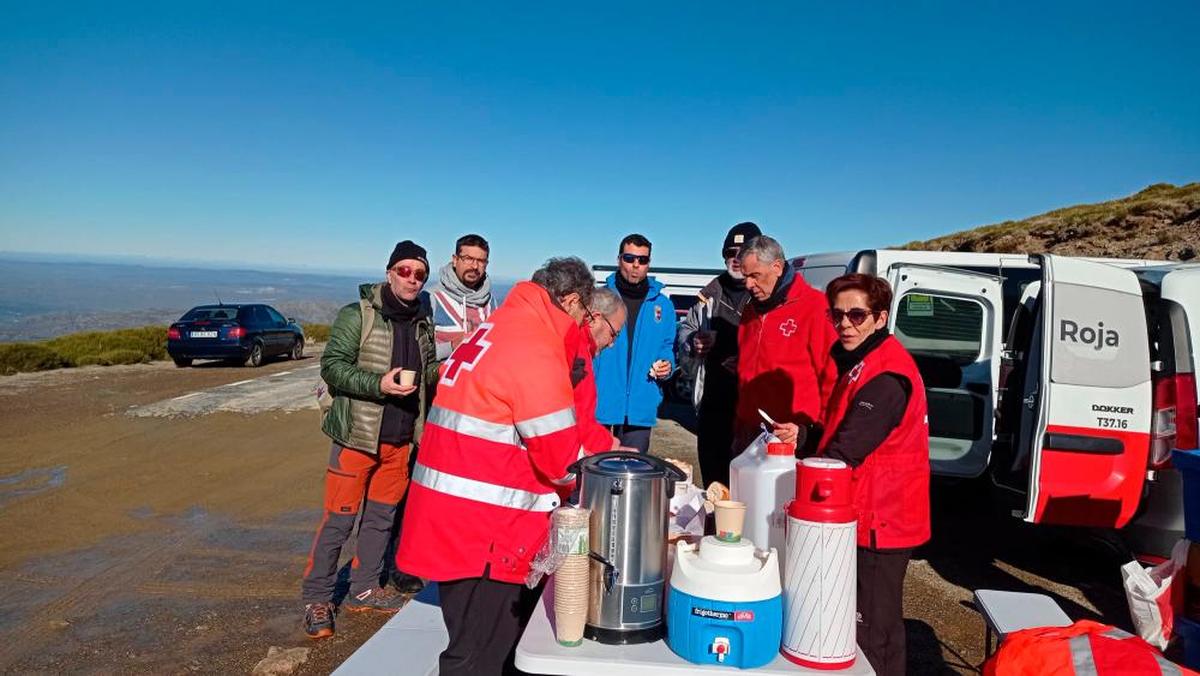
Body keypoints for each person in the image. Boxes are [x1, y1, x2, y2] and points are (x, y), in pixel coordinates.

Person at [395, 257, 595, 676]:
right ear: (572, 301)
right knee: (480, 654)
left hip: (453, 517)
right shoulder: (535, 348)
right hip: (489, 531)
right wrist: (594, 473)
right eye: (584, 314)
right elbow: (559, 459)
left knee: (468, 639)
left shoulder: (498, 328)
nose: (583, 324)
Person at [300, 240, 439, 639]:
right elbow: (333, 368)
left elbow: (426, 373)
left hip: (399, 441)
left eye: (420, 274)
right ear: (389, 272)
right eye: (405, 271)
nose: (413, 280)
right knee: (337, 523)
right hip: (356, 438)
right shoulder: (357, 315)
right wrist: (378, 383)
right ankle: (317, 598)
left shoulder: (421, 320)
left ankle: (363, 590)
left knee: (380, 521)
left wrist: (449, 368)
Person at [817, 273, 930, 676]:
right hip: (867, 512)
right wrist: (806, 435)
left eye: (857, 314)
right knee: (865, 621)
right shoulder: (861, 361)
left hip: (881, 518)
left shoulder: (886, 374)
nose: (845, 323)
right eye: (838, 315)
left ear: (881, 318)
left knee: (874, 631)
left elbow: (845, 450)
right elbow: (837, 429)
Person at [676, 221, 761, 485]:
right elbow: (685, 330)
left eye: (741, 252)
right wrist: (692, 342)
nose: (735, 259)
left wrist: (746, 360)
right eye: (729, 253)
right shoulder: (708, 295)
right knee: (714, 483)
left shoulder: (763, 295)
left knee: (747, 487)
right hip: (713, 404)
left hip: (753, 408)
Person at [735, 235, 837, 453]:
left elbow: (832, 374)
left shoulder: (814, 307)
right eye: (745, 277)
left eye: (755, 276)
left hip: (790, 435)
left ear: (777, 267)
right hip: (749, 433)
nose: (748, 284)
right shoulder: (750, 310)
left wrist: (815, 430)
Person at [593, 234, 676, 454]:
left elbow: (667, 346)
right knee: (593, 471)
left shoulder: (663, 306)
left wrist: (667, 364)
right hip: (600, 401)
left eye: (643, 260)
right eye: (629, 258)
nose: (636, 265)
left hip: (641, 404)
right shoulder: (599, 298)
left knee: (631, 472)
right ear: (619, 259)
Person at [571, 287, 628, 453]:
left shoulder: (582, 348)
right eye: (613, 334)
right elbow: (578, 419)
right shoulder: (577, 352)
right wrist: (611, 447)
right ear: (595, 318)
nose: (611, 344)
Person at [430, 233, 496, 360]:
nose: (475, 266)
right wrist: (452, 346)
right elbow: (416, 355)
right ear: (455, 260)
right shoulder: (432, 299)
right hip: (443, 378)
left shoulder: (490, 302)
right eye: (468, 258)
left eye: (481, 261)